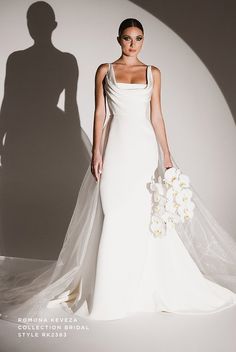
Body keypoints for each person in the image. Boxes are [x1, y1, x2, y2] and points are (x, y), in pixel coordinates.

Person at [1, 17, 236, 324]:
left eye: (138, 38)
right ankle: (108, 290)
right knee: (112, 211)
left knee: (143, 213)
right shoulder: (105, 70)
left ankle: (142, 286)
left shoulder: (153, 73)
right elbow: (98, 112)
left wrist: (166, 154)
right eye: (127, 38)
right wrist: (96, 151)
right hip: (116, 148)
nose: (132, 44)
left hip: (143, 148)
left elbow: (157, 116)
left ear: (143, 40)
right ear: (118, 39)